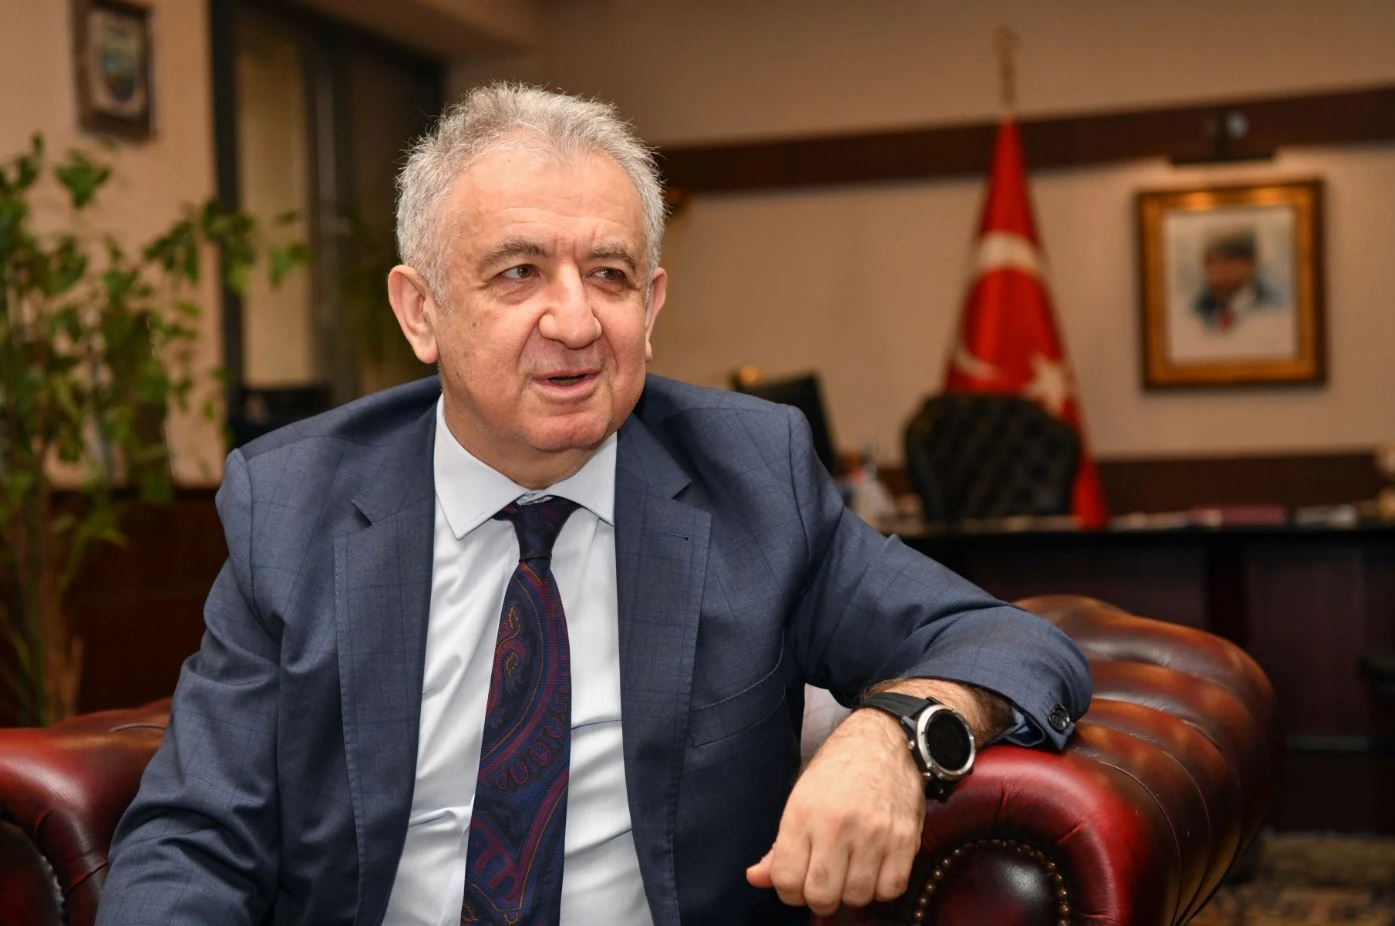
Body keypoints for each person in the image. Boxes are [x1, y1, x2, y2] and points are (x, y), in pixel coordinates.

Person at [95, 83, 1090, 926]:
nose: (574, 321)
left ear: (649, 310)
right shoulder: (295, 507)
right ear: (420, 311)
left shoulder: (754, 481)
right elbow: (195, 836)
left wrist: (890, 734)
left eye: (607, 275)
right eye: (519, 272)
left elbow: (1010, 643)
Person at [1192, 228, 1282, 331]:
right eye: (1210, 265)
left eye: (1227, 267)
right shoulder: (1198, 309)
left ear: (1250, 266)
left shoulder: (1273, 307)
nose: (1218, 275)